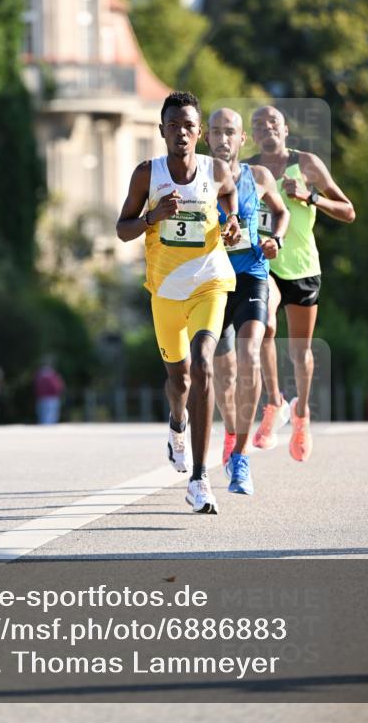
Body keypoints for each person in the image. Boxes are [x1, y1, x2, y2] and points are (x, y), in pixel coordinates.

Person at [116, 91, 241, 515]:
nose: (181, 133)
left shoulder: (215, 169)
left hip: (210, 281)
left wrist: (232, 221)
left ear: (199, 132)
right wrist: (153, 217)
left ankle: (200, 479)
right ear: (162, 131)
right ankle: (177, 424)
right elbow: (122, 229)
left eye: (189, 126)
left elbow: (229, 195)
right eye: (174, 126)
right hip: (166, 291)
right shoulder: (146, 175)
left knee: (204, 364)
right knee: (180, 381)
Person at [248, 106, 355, 461]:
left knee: (300, 351)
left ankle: (301, 413)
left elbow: (348, 210)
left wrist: (310, 197)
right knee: (265, 324)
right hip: (265, 262)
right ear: (253, 135)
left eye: (273, 123)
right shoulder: (249, 171)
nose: (267, 128)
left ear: (285, 130)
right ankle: (274, 403)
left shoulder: (306, 164)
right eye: (259, 124)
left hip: (303, 267)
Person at [206, 108, 290, 495]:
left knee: (250, 355)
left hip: (253, 276)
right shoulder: (196, 177)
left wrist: (276, 240)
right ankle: (231, 433)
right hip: (213, 282)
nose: (223, 139)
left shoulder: (259, 177)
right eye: (216, 132)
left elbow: (281, 212)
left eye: (230, 132)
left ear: (242, 139)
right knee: (223, 377)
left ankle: (240, 456)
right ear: (206, 137)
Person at [34, 356, 65, 425]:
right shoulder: (52, 374)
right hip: (51, 399)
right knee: (50, 418)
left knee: (43, 418)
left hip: (41, 398)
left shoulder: (39, 374)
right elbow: (57, 387)